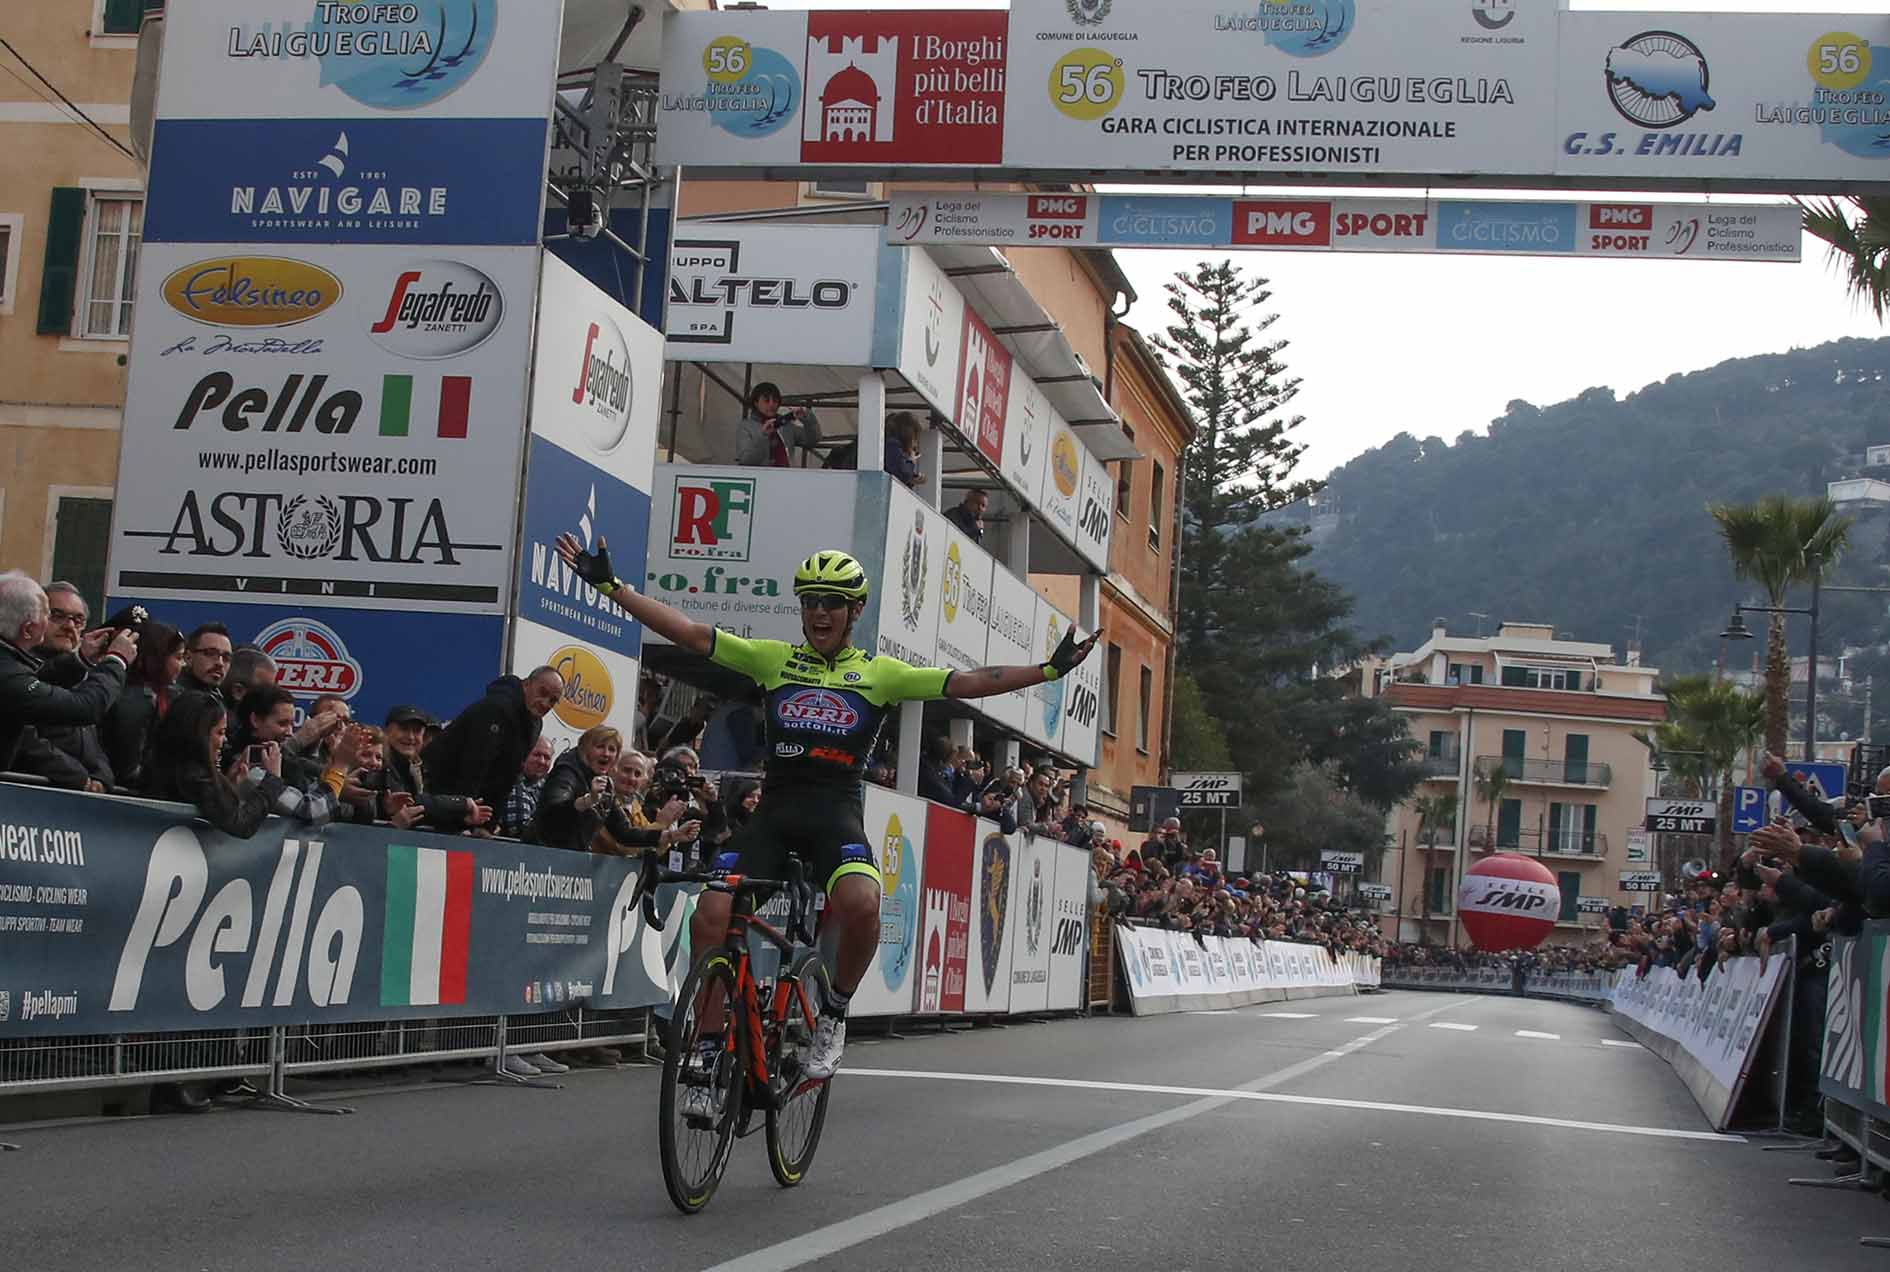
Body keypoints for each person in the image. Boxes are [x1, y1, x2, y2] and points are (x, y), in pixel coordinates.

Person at [553, 534, 1098, 1091]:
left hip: (835, 813)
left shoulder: (881, 673)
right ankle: (712, 1044)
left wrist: (1048, 672)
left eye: (832, 602)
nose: (818, 612)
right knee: (710, 916)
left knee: (861, 904)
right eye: (809, 600)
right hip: (776, 811)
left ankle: (833, 1013)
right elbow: (690, 633)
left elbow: (968, 682)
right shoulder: (773, 659)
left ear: (855, 610)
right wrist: (610, 587)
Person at [0, 571, 133, 775]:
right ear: (28, 630)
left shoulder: (12, 665)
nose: (69, 626)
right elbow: (85, 707)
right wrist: (116, 660)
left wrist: (82, 659)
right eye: (52, 615)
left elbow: (39, 678)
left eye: (78, 619)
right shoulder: (9, 674)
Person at [422, 668, 562, 824]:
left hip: (468, 805)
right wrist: (461, 819)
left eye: (553, 700)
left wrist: (488, 824)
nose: (545, 703)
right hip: (434, 789)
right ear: (526, 684)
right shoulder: (496, 707)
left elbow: (508, 776)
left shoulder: (535, 724)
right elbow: (473, 764)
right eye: (542, 692)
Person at [533, 726, 701, 856]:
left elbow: (624, 833)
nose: (606, 753)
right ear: (584, 749)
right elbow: (552, 814)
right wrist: (587, 801)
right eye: (600, 747)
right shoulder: (567, 772)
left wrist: (673, 835)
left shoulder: (606, 785)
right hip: (541, 858)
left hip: (571, 861)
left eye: (612, 749)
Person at [15, 581, 116, 790]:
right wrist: (79, 779)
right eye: (57, 616)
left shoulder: (82, 672)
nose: (69, 626)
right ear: (33, 618)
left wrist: (102, 776)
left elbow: (91, 742)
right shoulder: (14, 668)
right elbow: (24, 739)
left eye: (78, 620)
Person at [102, 618, 184, 792]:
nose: (182, 665)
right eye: (178, 657)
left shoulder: (165, 696)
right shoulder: (138, 700)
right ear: (157, 658)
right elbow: (128, 769)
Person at [731, 381, 821, 468]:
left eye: (775, 401)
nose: (771, 404)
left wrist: (806, 417)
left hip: (785, 478)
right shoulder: (746, 426)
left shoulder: (786, 425)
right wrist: (763, 436)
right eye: (766, 401)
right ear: (756, 403)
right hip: (760, 479)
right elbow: (746, 461)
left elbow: (813, 439)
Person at [502, 737, 555, 839]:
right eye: (536, 755)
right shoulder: (512, 783)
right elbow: (521, 830)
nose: (542, 761)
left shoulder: (550, 787)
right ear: (524, 754)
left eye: (547, 757)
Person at [175, 622, 233, 703]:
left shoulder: (223, 701)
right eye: (211, 653)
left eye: (226, 658)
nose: (220, 663)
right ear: (188, 657)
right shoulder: (172, 698)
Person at [884, 411, 924, 489]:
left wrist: (912, 479)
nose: (915, 445)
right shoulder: (893, 444)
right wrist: (911, 461)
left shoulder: (892, 445)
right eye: (915, 438)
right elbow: (902, 474)